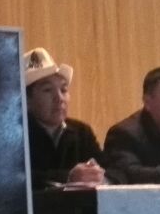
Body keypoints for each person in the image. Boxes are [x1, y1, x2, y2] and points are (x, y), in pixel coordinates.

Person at [24, 47, 108, 189]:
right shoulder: (14, 135)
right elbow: (16, 179)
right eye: (47, 90)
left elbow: (113, 170)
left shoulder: (82, 131)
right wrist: (68, 178)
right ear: (27, 100)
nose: (59, 98)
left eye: (63, 90)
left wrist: (99, 175)